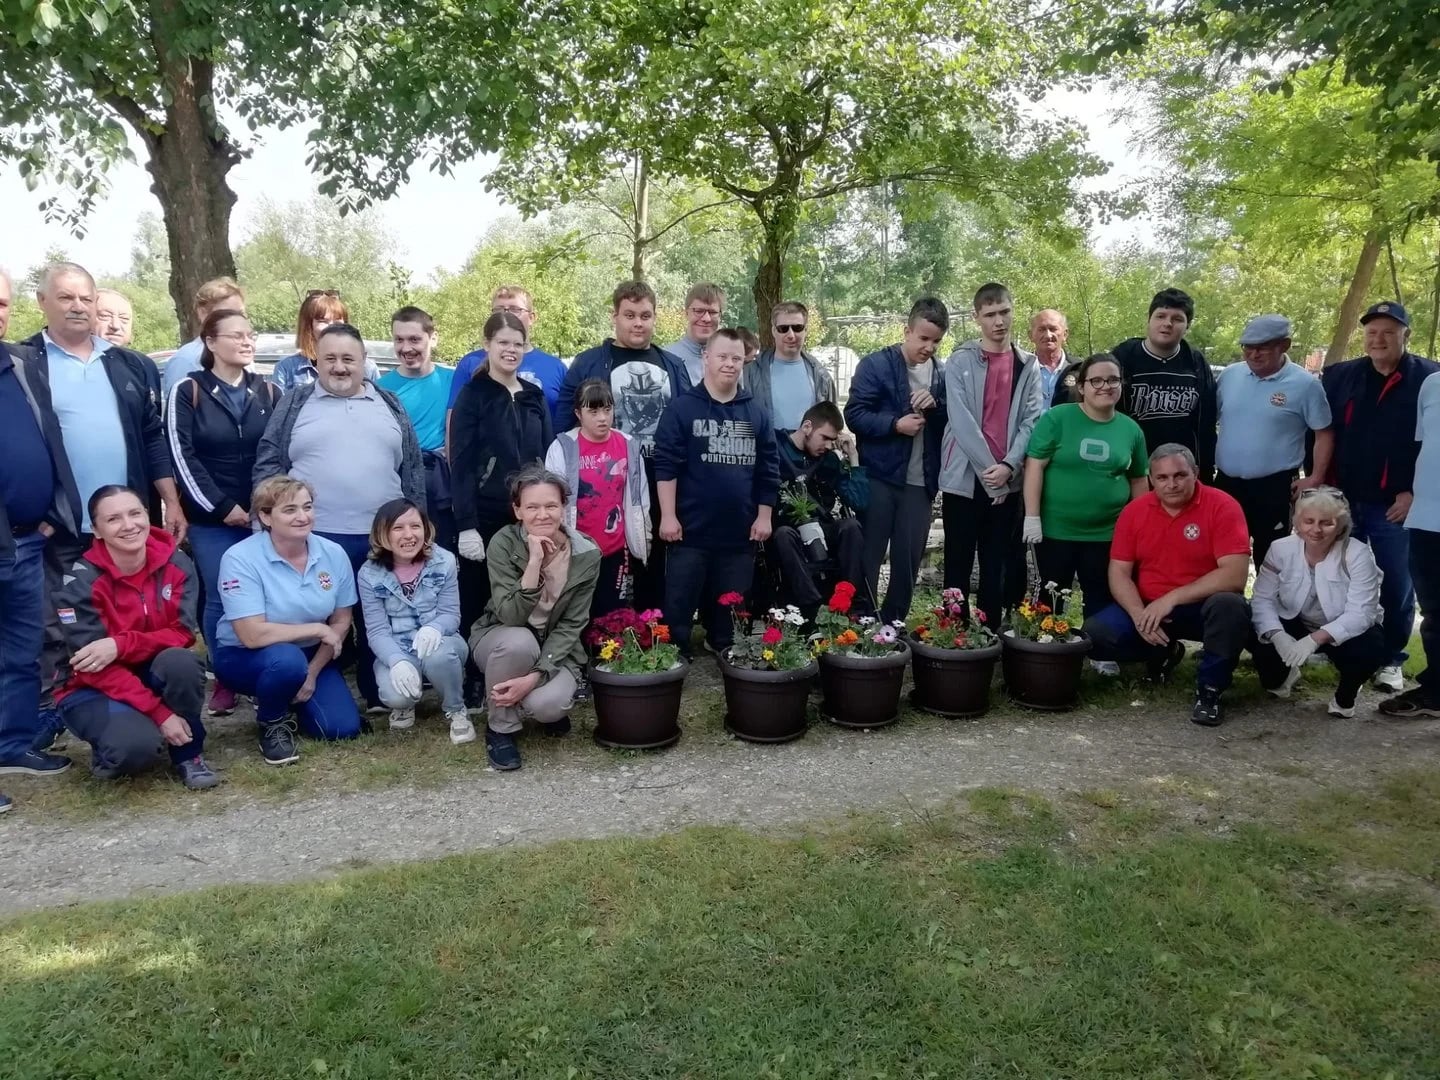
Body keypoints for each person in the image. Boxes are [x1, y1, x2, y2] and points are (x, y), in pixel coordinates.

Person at [23, 262, 184, 741]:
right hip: (63, 522)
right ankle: (57, 707)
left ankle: (134, 699)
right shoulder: (24, 363)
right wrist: (35, 509)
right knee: (59, 621)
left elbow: (153, 438)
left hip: (128, 521)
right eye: (66, 297)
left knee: (135, 615)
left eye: (85, 298)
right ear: (43, 302)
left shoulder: (129, 363)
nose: (78, 306)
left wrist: (170, 502)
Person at [253, 323, 425, 713]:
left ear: (364, 361)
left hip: (382, 535)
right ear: (317, 362)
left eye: (349, 358)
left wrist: (418, 523)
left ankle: (378, 689)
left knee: (381, 616)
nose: (340, 367)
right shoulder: (295, 403)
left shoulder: (389, 402)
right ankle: (308, 687)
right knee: (318, 617)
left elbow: (412, 468)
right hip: (315, 539)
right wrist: (264, 523)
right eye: (330, 358)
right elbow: (269, 462)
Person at [53, 486, 219, 789]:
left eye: (135, 513)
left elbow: (182, 633)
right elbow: (92, 666)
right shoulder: (79, 582)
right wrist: (160, 713)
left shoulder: (177, 562)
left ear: (147, 515)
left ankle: (189, 754)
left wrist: (119, 644)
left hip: (151, 668)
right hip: (92, 685)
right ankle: (113, 746)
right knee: (135, 750)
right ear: (96, 530)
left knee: (181, 663)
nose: (129, 525)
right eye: (113, 519)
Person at [1083, 444, 1252, 726]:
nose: (1171, 484)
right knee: (1095, 635)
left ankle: (1210, 690)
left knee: (1231, 606)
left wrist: (1172, 598)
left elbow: (1234, 576)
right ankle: (1161, 652)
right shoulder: (1134, 511)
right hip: (1149, 607)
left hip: (1202, 607)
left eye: (1179, 475)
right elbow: (1119, 572)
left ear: (1195, 473)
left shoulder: (1223, 505)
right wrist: (1138, 614)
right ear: (1151, 479)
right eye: (1162, 477)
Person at [165, 308, 281, 716]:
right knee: (222, 594)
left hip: (264, 516)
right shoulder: (187, 390)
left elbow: (279, 451)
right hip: (213, 520)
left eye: (250, 335)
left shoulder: (269, 391)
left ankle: (263, 669)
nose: (246, 341)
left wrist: (266, 506)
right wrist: (222, 506)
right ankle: (227, 677)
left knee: (268, 593)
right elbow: (181, 456)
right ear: (210, 342)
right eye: (236, 335)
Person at [1321, 300, 1440, 695]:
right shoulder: (1341, 376)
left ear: (1406, 335)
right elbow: (1322, 432)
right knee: (1340, 579)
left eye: (1389, 332)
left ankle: (1391, 659)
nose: (1379, 339)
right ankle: (1346, 653)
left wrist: (1414, 492)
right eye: (1372, 332)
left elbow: (1431, 445)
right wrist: (1320, 483)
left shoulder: (1429, 379)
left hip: (1396, 505)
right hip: (1342, 501)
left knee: (1397, 586)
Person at [557, 280, 691, 610]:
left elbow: (688, 421)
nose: (638, 323)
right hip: (606, 481)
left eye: (645, 315)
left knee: (655, 560)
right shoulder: (588, 363)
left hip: (661, 478)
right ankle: (602, 629)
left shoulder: (673, 365)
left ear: (655, 317)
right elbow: (564, 422)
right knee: (605, 566)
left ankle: (652, 627)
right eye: (629, 315)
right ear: (614, 316)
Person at [213, 476, 363, 764]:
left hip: (311, 654)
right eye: (290, 510)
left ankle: (288, 698)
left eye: (307, 507)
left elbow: (341, 621)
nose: (303, 517)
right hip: (247, 655)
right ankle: (272, 722)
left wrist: (313, 673)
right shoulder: (240, 558)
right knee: (287, 662)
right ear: (265, 517)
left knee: (340, 728)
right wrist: (317, 628)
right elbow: (251, 635)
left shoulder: (333, 553)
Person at [654, 327, 780, 657]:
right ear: (706, 358)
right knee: (679, 602)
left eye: (736, 358)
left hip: (739, 532)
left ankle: (724, 645)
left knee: (732, 609)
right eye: (722, 356)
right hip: (689, 531)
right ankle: (674, 653)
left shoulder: (756, 413)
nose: (729, 364)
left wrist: (764, 516)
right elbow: (666, 466)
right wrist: (668, 516)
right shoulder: (682, 409)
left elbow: (769, 469)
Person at [1022, 352, 1149, 675]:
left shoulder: (1131, 430)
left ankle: (1100, 650)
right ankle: (1046, 649)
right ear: (1081, 386)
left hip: (1107, 533)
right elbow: (1035, 465)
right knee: (1051, 593)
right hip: (1055, 530)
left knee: (1101, 592)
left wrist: (1141, 526)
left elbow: (1138, 479)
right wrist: (1032, 516)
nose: (1105, 386)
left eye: (1113, 380)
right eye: (1096, 380)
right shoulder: (1058, 418)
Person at [470, 466, 600, 771]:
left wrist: (535, 677)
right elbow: (510, 615)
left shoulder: (587, 554)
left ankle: (530, 700)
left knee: (548, 706)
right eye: (532, 507)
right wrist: (534, 563)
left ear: (564, 507)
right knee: (519, 641)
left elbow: (572, 624)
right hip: (501, 636)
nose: (543, 515)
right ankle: (501, 728)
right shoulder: (503, 543)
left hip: (555, 647)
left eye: (551, 505)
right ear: (518, 511)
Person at [940, 282, 1044, 622]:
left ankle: (989, 632)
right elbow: (961, 421)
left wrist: (1010, 466)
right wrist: (991, 475)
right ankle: (954, 632)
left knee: (995, 563)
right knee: (957, 562)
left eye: (1004, 312)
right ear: (977, 317)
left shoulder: (1028, 365)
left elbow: (1032, 420)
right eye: (989, 315)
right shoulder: (960, 361)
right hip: (965, 479)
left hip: (1008, 480)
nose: (998, 321)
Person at [0, 339, 78, 785]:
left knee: (22, 652)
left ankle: (11, 745)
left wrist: (52, 513)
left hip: (27, 540)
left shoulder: (19, 364)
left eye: (2, 306)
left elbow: (50, 439)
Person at [844, 297, 948, 624]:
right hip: (880, 476)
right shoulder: (875, 365)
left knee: (907, 561)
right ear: (907, 331)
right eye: (923, 338)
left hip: (921, 482)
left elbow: (950, 422)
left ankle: (894, 624)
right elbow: (854, 414)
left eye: (936, 341)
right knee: (869, 555)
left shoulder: (942, 375)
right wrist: (894, 424)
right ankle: (862, 622)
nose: (929, 347)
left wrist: (935, 407)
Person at [451, 311, 554, 632]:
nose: (511, 350)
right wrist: (466, 524)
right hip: (486, 514)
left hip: (529, 514)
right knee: (480, 593)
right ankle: (476, 657)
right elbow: (461, 462)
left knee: (528, 588)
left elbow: (547, 455)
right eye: (503, 343)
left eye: (518, 344)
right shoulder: (474, 394)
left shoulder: (533, 395)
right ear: (487, 344)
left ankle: (526, 652)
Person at [1249, 487, 1385, 718]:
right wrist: (1277, 635)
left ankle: (1346, 696)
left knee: (1371, 647)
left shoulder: (1358, 554)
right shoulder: (1280, 549)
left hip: (1340, 626)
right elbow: (1262, 600)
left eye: (1326, 523)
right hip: (1295, 619)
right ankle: (1285, 675)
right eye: (1309, 521)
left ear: (1341, 526)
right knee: (1265, 661)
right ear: (1297, 522)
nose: (1316, 530)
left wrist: (1314, 640)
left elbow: (1361, 614)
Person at [1214, 314, 1333, 569]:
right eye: (1248, 347)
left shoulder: (1305, 385)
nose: (1254, 354)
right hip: (1226, 485)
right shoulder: (1229, 376)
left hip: (1274, 488)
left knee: (1271, 559)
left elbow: (1324, 433)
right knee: (1222, 555)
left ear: (1284, 345)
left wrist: (1315, 478)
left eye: (1263, 347)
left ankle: (1272, 596)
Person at [358, 499, 473, 743]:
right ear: (382, 533)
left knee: (439, 656)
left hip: (441, 641)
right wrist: (396, 660)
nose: (409, 535)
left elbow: (451, 614)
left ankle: (456, 709)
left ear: (426, 529)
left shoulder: (444, 560)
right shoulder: (368, 574)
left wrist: (435, 627)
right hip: (398, 647)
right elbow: (377, 631)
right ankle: (405, 704)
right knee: (395, 696)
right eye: (398, 528)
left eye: (415, 526)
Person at [544, 378, 650, 620]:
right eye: (593, 411)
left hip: (615, 548)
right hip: (576, 550)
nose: (602, 418)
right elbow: (551, 501)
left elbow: (639, 497)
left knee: (612, 616)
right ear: (578, 414)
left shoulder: (628, 445)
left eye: (607, 409)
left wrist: (643, 538)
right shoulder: (562, 447)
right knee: (577, 615)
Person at [772, 401, 870, 619]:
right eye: (824, 437)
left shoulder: (828, 460)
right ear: (807, 427)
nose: (827, 445)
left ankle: (852, 606)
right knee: (783, 535)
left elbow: (859, 502)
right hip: (789, 530)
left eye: (832, 440)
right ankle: (814, 608)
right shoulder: (776, 448)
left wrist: (853, 457)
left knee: (851, 527)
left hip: (823, 528)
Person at [1106, 287, 1217, 478]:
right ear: (1149, 320)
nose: (1167, 323)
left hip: (1182, 473)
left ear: (1187, 326)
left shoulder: (1195, 362)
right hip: (1133, 470)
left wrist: (1205, 471)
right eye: (1161, 316)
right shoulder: (1124, 357)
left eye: (1177, 319)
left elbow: (1207, 422)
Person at [1381, 368, 1440, 718]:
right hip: (1427, 518)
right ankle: (1436, 692)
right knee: (1434, 612)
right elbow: (1421, 446)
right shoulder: (1432, 384)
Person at [380, 306, 456, 551]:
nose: (406, 348)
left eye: (414, 339)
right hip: (400, 482)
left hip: (443, 482)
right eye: (399, 340)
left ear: (433, 338)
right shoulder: (381, 388)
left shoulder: (453, 380)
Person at [448, 285, 567, 421]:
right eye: (498, 310)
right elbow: (454, 420)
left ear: (531, 318)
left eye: (515, 309)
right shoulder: (470, 362)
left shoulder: (556, 367)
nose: (506, 315)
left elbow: (571, 421)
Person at [746, 302, 838, 433]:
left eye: (797, 328)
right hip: (766, 446)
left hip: (809, 446)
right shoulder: (750, 374)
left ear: (805, 330)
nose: (791, 335)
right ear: (773, 331)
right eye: (783, 328)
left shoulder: (822, 376)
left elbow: (832, 424)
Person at [269, 289, 379, 392]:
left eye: (337, 320)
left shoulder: (367, 368)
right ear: (308, 326)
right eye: (323, 321)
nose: (331, 326)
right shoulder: (287, 368)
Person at [161, 277, 247, 398]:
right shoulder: (187, 360)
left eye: (241, 313)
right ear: (202, 313)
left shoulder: (244, 355)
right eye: (227, 313)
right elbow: (177, 406)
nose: (236, 319)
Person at [665, 283, 726, 386]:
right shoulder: (666, 359)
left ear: (720, 316)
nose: (706, 318)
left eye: (712, 312)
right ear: (686, 313)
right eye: (699, 311)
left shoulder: (730, 362)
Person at [1028, 309, 1076, 409]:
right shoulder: (1020, 368)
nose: (1048, 335)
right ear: (1031, 335)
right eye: (1041, 329)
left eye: (1053, 329)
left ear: (1065, 334)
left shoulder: (1080, 368)